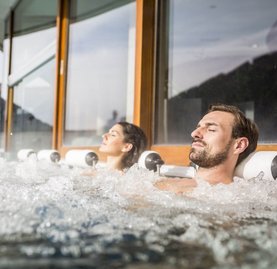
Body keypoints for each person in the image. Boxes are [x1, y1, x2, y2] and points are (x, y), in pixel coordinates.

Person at [155, 104, 259, 194]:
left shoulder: (230, 199)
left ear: (239, 145)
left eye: (211, 129)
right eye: (198, 127)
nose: (194, 133)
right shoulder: (164, 182)